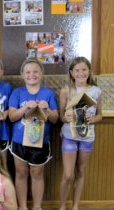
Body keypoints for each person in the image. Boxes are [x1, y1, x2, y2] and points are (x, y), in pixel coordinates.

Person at [8, 59, 59, 210]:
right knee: (21, 173)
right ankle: (22, 207)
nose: (32, 75)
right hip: (19, 141)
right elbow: (11, 117)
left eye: (35, 71)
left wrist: (47, 109)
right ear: (22, 75)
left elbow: (55, 119)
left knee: (37, 173)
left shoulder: (48, 93)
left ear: (41, 74)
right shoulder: (17, 93)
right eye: (28, 72)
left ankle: (37, 207)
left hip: (41, 141)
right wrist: (24, 108)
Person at [58, 57, 102, 210]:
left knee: (80, 171)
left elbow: (100, 115)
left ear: (89, 71)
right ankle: (62, 206)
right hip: (69, 136)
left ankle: (75, 206)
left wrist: (93, 118)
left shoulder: (96, 91)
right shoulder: (66, 91)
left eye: (84, 69)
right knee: (68, 175)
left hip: (87, 137)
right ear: (71, 73)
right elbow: (61, 116)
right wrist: (65, 117)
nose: (81, 73)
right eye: (77, 70)